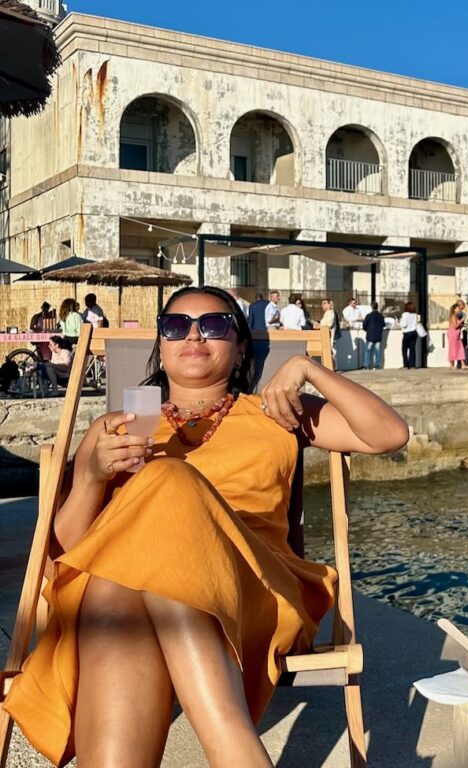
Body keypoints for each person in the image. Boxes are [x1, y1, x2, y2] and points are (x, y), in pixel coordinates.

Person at [4, 285, 409, 767]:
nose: (193, 335)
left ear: (239, 347)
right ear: (161, 345)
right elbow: (68, 552)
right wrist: (91, 476)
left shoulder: (275, 414)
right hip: (127, 597)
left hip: (254, 589)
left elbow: (390, 434)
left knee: (166, 481)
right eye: (176, 327)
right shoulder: (123, 424)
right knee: (117, 584)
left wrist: (308, 369)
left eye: (214, 325)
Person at [362, 302, 385, 370]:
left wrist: (367, 330)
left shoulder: (368, 316)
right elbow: (383, 325)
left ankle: (367, 365)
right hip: (378, 336)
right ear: (377, 307)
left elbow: (364, 326)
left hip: (370, 336)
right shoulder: (380, 316)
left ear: (371, 307)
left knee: (367, 351)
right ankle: (377, 365)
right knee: (377, 351)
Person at [399, 302, 418, 369]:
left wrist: (400, 321)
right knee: (412, 349)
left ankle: (406, 365)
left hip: (407, 333)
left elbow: (403, 324)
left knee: (404, 349)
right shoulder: (415, 315)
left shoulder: (405, 314)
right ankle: (412, 365)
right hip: (414, 332)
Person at [446, 303, 466, 369]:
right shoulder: (453, 316)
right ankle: (452, 365)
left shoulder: (456, 316)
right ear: (454, 309)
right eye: (457, 308)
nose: (459, 309)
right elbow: (455, 326)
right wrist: (461, 321)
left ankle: (463, 364)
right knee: (453, 348)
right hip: (453, 333)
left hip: (457, 334)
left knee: (460, 347)